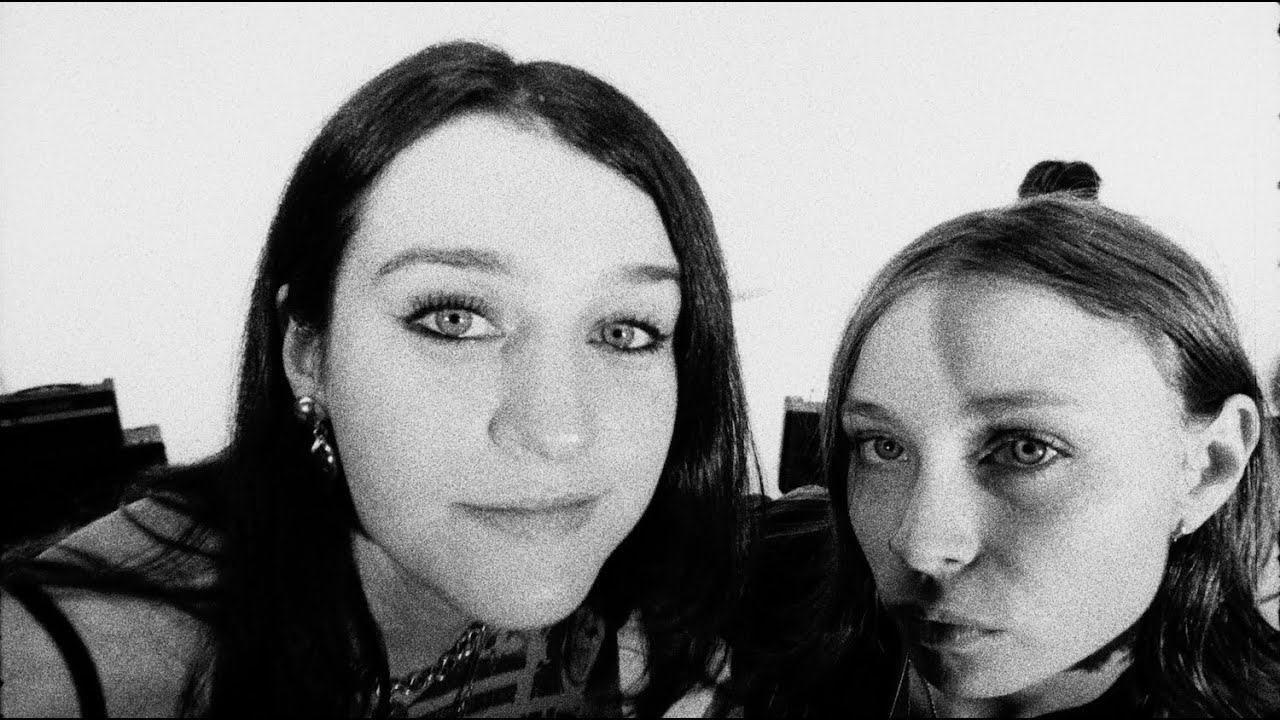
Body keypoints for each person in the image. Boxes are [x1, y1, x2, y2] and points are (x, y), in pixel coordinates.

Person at [0, 40, 758, 717]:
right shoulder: (76, 660)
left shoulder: (658, 612)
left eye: (625, 331)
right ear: (309, 353)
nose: (558, 430)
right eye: (454, 318)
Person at [728, 173, 1280, 716]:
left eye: (1026, 450)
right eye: (883, 446)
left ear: (1208, 467)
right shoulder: (749, 586)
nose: (919, 545)